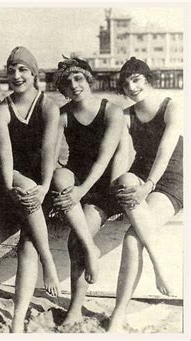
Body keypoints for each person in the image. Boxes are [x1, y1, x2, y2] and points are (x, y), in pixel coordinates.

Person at [108, 57, 183, 332]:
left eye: (136, 79)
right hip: (141, 176)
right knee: (124, 178)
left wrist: (147, 186)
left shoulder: (171, 106)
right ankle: (156, 260)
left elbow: (165, 151)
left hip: (171, 178)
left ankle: (118, 312)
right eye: (126, 83)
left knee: (131, 238)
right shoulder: (126, 115)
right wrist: (117, 188)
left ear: (147, 79)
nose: (131, 86)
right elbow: (120, 154)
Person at [51, 56, 124, 325]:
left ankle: (75, 309)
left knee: (75, 243)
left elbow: (104, 159)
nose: (74, 85)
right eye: (67, 83)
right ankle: (92, 247)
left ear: (88, 79)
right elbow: (50, 155)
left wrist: (81, 191)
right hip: (77, 181)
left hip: (102, 186)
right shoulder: (63, 115)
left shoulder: (112, 111)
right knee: (59, 176)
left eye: (78, 78)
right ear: (63, 90)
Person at [0, 46, 60, 332]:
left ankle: (17, 320)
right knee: (25, 184)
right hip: (13, 182)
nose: (17, 76)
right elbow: (5, 157)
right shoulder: (2, 109)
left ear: (34, 74)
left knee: (27, 245)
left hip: (41, 182)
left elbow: (48, 151)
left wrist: (44, 186)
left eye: (23, 70)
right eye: (12, 71)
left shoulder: (48, 106)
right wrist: (10, 187)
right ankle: (50, 263)